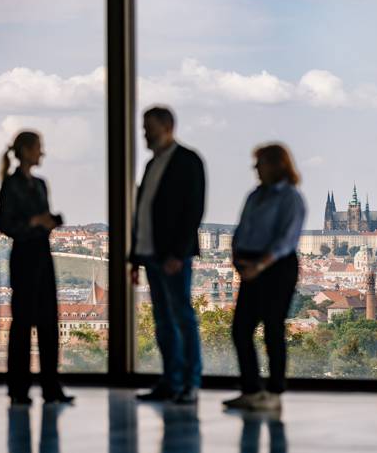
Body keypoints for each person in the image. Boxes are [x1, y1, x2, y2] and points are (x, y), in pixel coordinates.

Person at [130, 106, 206, 404]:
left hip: (172, 255)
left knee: (181, 318)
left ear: (167, 126)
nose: (144, 133)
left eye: (148, 127)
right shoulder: (153, 164)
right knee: (164, 320)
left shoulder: (187, 161)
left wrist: (178, 252)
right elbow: (143, 214)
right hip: (151, 253)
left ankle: (189, 382)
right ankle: (172, 381)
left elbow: (193, 211)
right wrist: (135, 257)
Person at [223, 143, 306, 411]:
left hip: (276, 269)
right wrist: (238, 259)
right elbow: (241, 229)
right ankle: (251, 389)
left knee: (273, 329)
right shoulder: (255, 195)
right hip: (250, 266)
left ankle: (274, 393)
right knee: (240, 330)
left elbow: (286, 240)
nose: (255, 168)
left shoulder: (290, 198)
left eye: (259, 163)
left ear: (275, 165)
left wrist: (259, 266)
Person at [0, 131, 74, 406]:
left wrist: (44, 222)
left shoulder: (35, 184)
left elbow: (9, 222)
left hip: (38, 253)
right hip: (28, 254)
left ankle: (40, 387)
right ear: (27, 151)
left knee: (45, 322)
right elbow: (4, 223)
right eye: (39, 148)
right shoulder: (16, 185)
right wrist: (36, 222)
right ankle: (27, 388)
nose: (42, 153)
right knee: (25, 323)